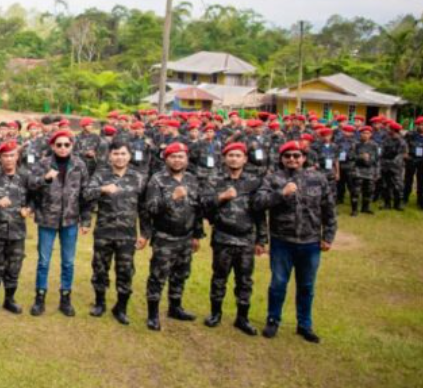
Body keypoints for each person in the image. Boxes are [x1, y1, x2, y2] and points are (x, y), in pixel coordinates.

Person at [262, 141, 337, 344]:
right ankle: (273, 320)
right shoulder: (273, 178)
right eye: (287, 156)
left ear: (304, 158)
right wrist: (281, 193)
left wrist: (328, 236)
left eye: (296, 155)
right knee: (278, 284)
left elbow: (329, 209)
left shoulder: (318, 178)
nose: (292, 159)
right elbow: (259, 203)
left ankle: (304, 324)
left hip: (310, 242)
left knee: (306, 286)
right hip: (282, 241)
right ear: (281, 158)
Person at [200, 142, 269, 336]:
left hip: (246, 239)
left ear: (245, 159)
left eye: (238, 156)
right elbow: (204, 204)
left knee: (245, 280)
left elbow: (259, 212)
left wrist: (261, 239)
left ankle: (242, 318)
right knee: (219, 278)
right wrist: (221, 197)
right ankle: (215, 314)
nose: (234, 159)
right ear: (224, 158)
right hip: (222, 238)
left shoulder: (254, 181)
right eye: (230, 155)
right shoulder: (215, 179)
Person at [82, 141, 146, 325]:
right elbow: (86, 194)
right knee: (100, 268)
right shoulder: (101, 174)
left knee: (125, 271)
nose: (120, 157)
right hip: (104, 232)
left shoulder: (138, 177)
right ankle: (100, 303)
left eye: (123, 153)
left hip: (127, 234)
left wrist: (145, 233)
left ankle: (121, 307)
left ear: (130, 156)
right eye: (116, 153)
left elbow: (144, 208)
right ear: (110, 156)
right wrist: (102, 189)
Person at [142, 142, 204, 331]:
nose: (177, 160)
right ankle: (153, 314)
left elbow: (197, 208)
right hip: (164, 237)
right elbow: (151, 208)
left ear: (187, 159)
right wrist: (171, 198)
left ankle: (175, 307)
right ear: (166, 159)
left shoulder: (192, 179)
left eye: (181, 157)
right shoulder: (157, 179)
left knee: (181, 274)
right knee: (158, 276)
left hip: (186, 237)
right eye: (173, 157)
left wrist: (197, 234)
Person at [28, 129, 89, 317]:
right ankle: (40, 298)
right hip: (47, 219)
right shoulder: (43, 164)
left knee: (68, 262)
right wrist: (45, 179)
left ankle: (65, 298)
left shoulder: (79, 165)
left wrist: (86, 220)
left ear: (72, 146)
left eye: (66, 144)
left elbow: (85, 194)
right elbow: (31, 185)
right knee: (43, 261)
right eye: (59, 145)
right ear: (53, 146)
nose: (63, 148)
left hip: (70, 220)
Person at [0, 141, 33, 314]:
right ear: (0, 158)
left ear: (17, 157)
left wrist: (29, 208)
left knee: (14, 266)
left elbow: (35, 197)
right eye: (5, 156)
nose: (9, 159)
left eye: (12, 155)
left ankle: (10, 300)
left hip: (17, 230)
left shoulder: (26, 176)